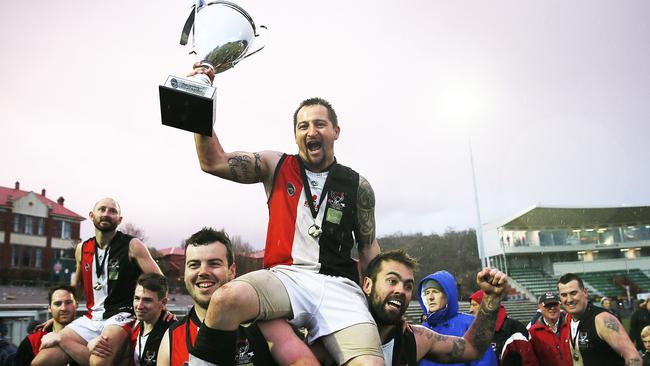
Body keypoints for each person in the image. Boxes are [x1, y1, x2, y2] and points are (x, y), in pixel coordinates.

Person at [190, 66, 382, 366]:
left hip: (341, 288)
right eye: (303, 126)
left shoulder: (359, 185)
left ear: (336, 131)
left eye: (320, 124)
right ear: (295, 135)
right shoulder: (274, 165)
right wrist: (198, 99)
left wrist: (377, 301)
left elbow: (369, 247)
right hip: (285, 280)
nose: (311, 131)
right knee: (226, 299)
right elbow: (212, 161)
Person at [156, 227, 317, 366]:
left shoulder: (264, 323)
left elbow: (303, 361)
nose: (203, 271)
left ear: (232, 271)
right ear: (184, 272)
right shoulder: (171, 339)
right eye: (194, 265)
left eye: (214, 263)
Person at [33, 197, 164, 366]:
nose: (106, 214)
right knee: (41, 361)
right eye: (102, 209)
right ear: (91, 215)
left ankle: (63, 341)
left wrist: (161, 308)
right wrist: (60, 318)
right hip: (91, 317)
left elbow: (159, 280)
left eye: (112, 211)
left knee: (98, 362)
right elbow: (77, 286)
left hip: (121, 315)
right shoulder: (82, 248)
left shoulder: (133, 245)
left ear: (119, 219)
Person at [357, 249, 508, 365]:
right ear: (368, 285)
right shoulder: (336, 333)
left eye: (408, 286)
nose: (401, 290)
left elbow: (473, 347)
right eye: (392, 281)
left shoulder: (417, 339)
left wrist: (491, 297)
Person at [88, 273, 174, 365]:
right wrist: (91, 344)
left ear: (163, 302)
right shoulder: (132, 325)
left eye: (147, 300)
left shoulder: (172, 332)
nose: (139, 306)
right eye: (137, 298)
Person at [557, 272, 641, 365]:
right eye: (564, 295)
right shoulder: (568, 319)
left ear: (585, 292)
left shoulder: (602, 319)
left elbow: (634, 358)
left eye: (573, 293)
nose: (569, 299)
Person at [417, 271, 498, 366]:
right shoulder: (421, 330)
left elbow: (486, 361)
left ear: (448, 295)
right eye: (427, 293)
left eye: (435, 292)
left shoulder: (470, 323)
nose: (430, 297)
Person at [14, 285, 78, 366]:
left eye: (68, 303)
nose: (63, 308)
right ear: (49, 308)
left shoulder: (88, 337)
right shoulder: (32, 342)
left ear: (77, 305)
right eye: (58, 304)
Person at [469, 290, 536, 366]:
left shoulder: (515, 329)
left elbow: (530, 361)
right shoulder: (472, 331)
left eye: (474, 305)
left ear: (488, 306)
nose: (470, 310)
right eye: (471, 305)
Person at [528, 292, 571, 366]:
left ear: (559, 305)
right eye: (548, 305)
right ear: (540, 307)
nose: (552, 308)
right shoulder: (533, 332)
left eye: (555, 304)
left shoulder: (571, 324)